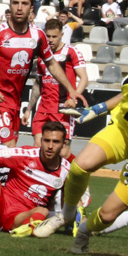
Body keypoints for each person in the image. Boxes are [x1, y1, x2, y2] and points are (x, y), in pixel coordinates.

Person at [33, 54, 128, 254]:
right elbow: (126, 94)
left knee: (107, 216)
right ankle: (66, 216)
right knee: (80, 166)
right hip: (123, 132)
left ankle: (84, 231)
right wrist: (98, 109)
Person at [0, 0, 80, 147]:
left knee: (1, 160)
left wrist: (71, 89)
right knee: (9, 150)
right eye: (15, 3)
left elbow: (52, 64)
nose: (19, 8)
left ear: (31, 8)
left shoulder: (38, 35)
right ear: (10, 6)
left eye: (24, 3)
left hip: (15, 103)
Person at [23, 18, 88, 158]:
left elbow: (84, 78)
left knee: (62, 153)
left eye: (54, 36)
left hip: (62, 108)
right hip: (44, 108)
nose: (51, 40)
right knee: (39, 148)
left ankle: (73, 175)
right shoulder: (42, 55)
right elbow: (38, 84)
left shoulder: (72, 52)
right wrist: (29, 109)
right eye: (48, 36)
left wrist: (73, 97)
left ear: (61, 35)